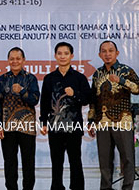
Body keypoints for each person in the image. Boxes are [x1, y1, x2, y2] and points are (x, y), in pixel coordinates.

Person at [90, 41, 139, 190]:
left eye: (110, 51)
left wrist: (121, 80)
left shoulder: (126, 71)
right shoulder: (97, 74)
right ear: (100, 55)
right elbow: (93, 99)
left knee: (127, 159)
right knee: (105, 160)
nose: (107, 54)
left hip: (123, 120)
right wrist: (90, 120)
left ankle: (127, 188)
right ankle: (106, 188)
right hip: (102, 122)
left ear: (117, 53)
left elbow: (138, 88)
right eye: (104, 51)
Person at [41, 42, 91, 190]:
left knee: (75, 161)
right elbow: (44, 103)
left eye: (66, 53)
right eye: (59, 53)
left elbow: (87, 99)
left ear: (72, 56)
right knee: (56, 161)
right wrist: (44, 122)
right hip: (54, 126)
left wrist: (74, 94)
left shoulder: (79, 78)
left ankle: (77, 187)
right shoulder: (49, 78)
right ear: (55, 56)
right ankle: (56, 187)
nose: (62, 56)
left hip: (73, 127)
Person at [0, 47, 40, 190]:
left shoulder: (30, 78)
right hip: (7, 127)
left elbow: (35, 99)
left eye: (18, 58)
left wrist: (22, 91)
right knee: (9, 162)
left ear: (23, 60)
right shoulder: (2, 79)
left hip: (27, 127)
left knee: (28, 162)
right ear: (8, 61)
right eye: (12, 59)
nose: (15, 61)